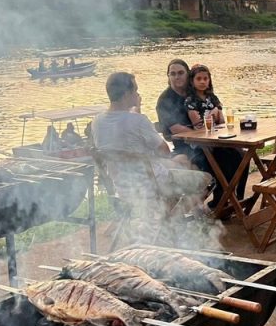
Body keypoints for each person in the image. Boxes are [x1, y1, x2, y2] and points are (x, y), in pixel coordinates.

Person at [92, 72, 210, 211]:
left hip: (122, 188)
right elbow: (164, 151)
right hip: (151, 186)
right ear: (125, 94)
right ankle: (170, 220)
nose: (137, 93)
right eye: (135, 90)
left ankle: (164, 216)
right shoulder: (139, 120)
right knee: (206, 180)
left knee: (180, 162)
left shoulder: (97, 121)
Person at [156, 60, 248, 213]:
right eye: (173, 74)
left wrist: (217, 111)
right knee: (224, 159)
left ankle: (232, 201)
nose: (177, 77)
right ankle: (221, 203)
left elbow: (218, 116)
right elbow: (177, 130)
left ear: (188, 75)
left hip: (209, 140)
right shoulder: (166, 100)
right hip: (187, 146)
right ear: (168, 76)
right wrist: (206, 132)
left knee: (241, 155)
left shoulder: (196, 93)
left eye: (180, 73)